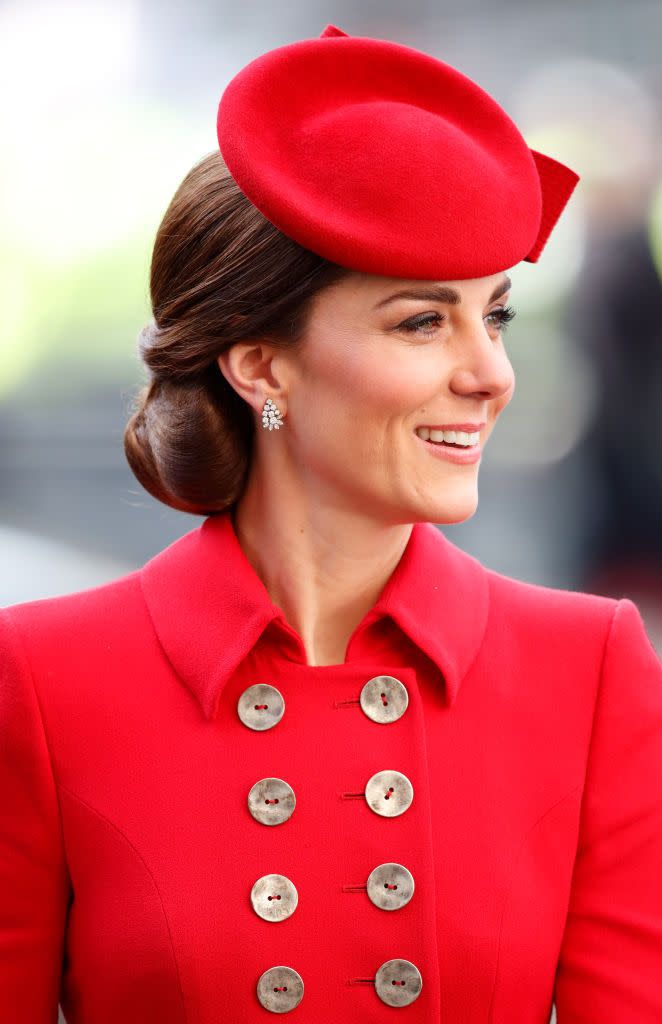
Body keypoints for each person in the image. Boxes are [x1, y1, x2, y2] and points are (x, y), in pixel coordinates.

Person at [1, 22, 661, 1024]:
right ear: (260, 364)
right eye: (420, 320)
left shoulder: (591, 671)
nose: (490, 374)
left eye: (494, 314)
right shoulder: (42, 682)